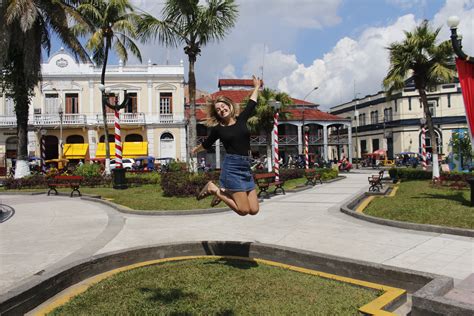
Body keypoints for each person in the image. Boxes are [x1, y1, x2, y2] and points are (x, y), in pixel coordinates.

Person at [192, 75, 261, 216]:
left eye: (223, 106)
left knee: (254, 210)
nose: (222, 109)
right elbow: (206, 144)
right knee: (243, 210)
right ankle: (213, 189)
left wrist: (256, 87)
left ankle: (222, 192)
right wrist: (196, 149)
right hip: (232, 167)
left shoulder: (241, 120)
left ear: (229, 106)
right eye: (218, 109)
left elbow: (252, 103)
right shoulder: (218, 129)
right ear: (217, 114)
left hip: (246, 166)